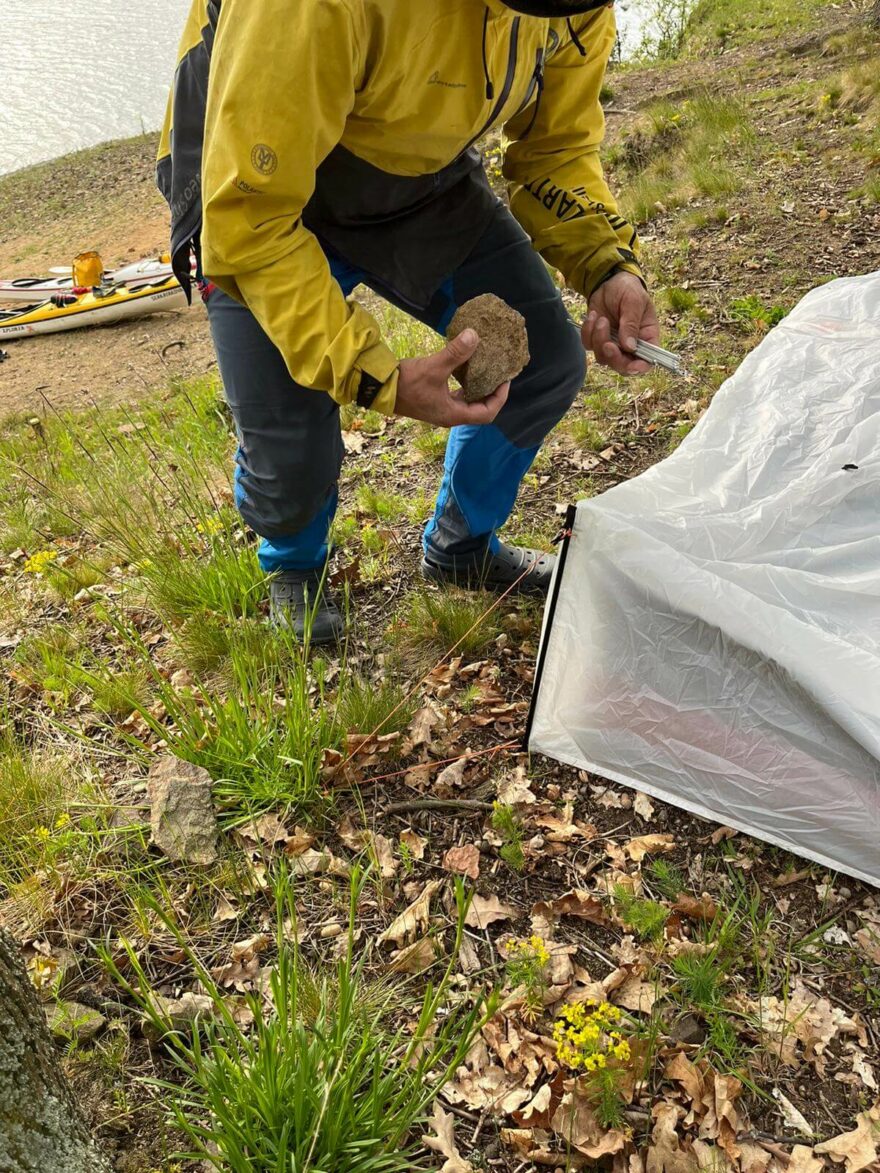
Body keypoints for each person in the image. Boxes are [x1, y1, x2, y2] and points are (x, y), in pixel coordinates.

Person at [157, 0, 659, 642]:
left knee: (539, 361)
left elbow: (555, 148)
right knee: (289, 441)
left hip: (413, 172)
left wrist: (606, 264)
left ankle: (460, 545)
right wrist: (377, 378)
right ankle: (294, 564)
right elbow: (251, 222)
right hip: (249, 178)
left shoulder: (576, 8)